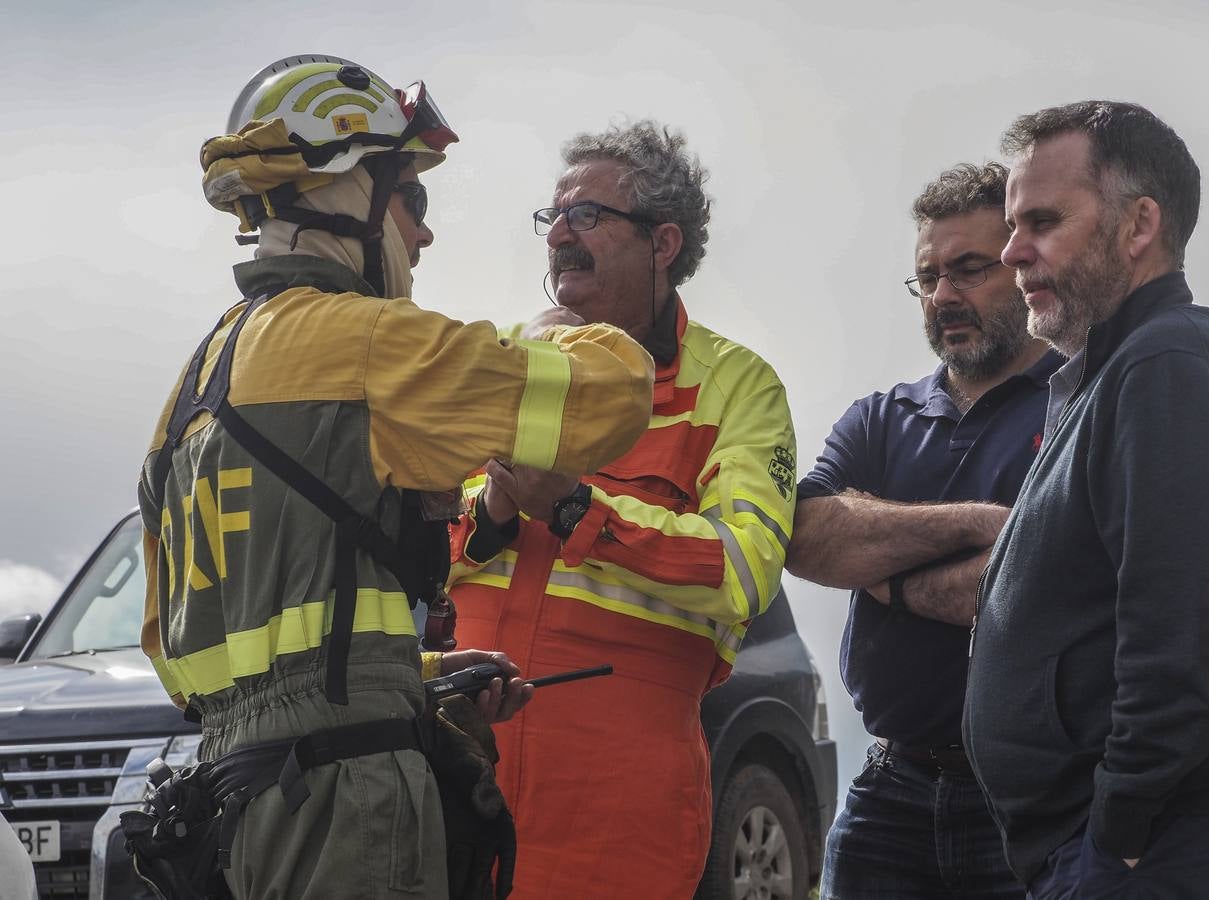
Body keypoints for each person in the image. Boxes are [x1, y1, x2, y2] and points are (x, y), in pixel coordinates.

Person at [137, 54, 654, 899]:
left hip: (235, 808)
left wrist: (408, 677)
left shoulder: (190, 389)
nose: (422, 231)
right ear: (347, 187)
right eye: (410, 195)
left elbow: (183, 660)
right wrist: (556, 325)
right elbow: (613, 399)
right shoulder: (371, 341)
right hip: (347, 800)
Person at [964, 101, 1209, 899]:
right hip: (1137, 849)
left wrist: (1117, 831)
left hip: (1164, 848)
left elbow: (1178, 634)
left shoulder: (1165, 368)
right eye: (1013, 224)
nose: (1012, 251)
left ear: (1138, 225)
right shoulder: (1117, 372)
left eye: (1042, 221)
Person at [446, 120, 797, 900]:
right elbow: (408, 534)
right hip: (457, 766)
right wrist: (495, 507)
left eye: (587, 216)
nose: (560, 235)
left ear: (662, 242)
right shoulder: (503, 359)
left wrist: (575, 509)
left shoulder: (737, 385)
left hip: (620, 798)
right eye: (553, 218)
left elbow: (742, 569)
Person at [786, 162, 1059, 899]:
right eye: (927, 278)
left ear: (1022, 266)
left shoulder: (1078, 405)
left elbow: (1027, 584)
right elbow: (807, 537)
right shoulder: (879, 418)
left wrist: (880, 574)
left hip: (1033, 797)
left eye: (969, 270)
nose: (944, 296)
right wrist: (977, 523)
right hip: (889, 793)